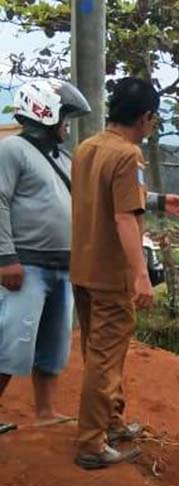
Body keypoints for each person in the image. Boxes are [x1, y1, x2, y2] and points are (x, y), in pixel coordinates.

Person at [71, 76, 179, 469]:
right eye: (153, 119)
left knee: (99, 351)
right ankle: (92, 443)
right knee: (105, 360)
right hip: (111, 276)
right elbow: (125, 217)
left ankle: (113, 421)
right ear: (145, 117)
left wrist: (158, 201)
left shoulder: (87, 149)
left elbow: (115, 197)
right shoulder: (128, 156)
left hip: (83, 269)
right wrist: (141, 275)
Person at [0, 79, 90, 431]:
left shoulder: (62, 159)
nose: (66, 125)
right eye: (64, 117)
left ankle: (45, 412)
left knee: (52, 346)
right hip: (27, 265)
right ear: (45, 111)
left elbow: (97, 194)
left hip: (62, 266)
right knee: (11, 341)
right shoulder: (12, 151)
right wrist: (6, 258)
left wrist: (158, 200)